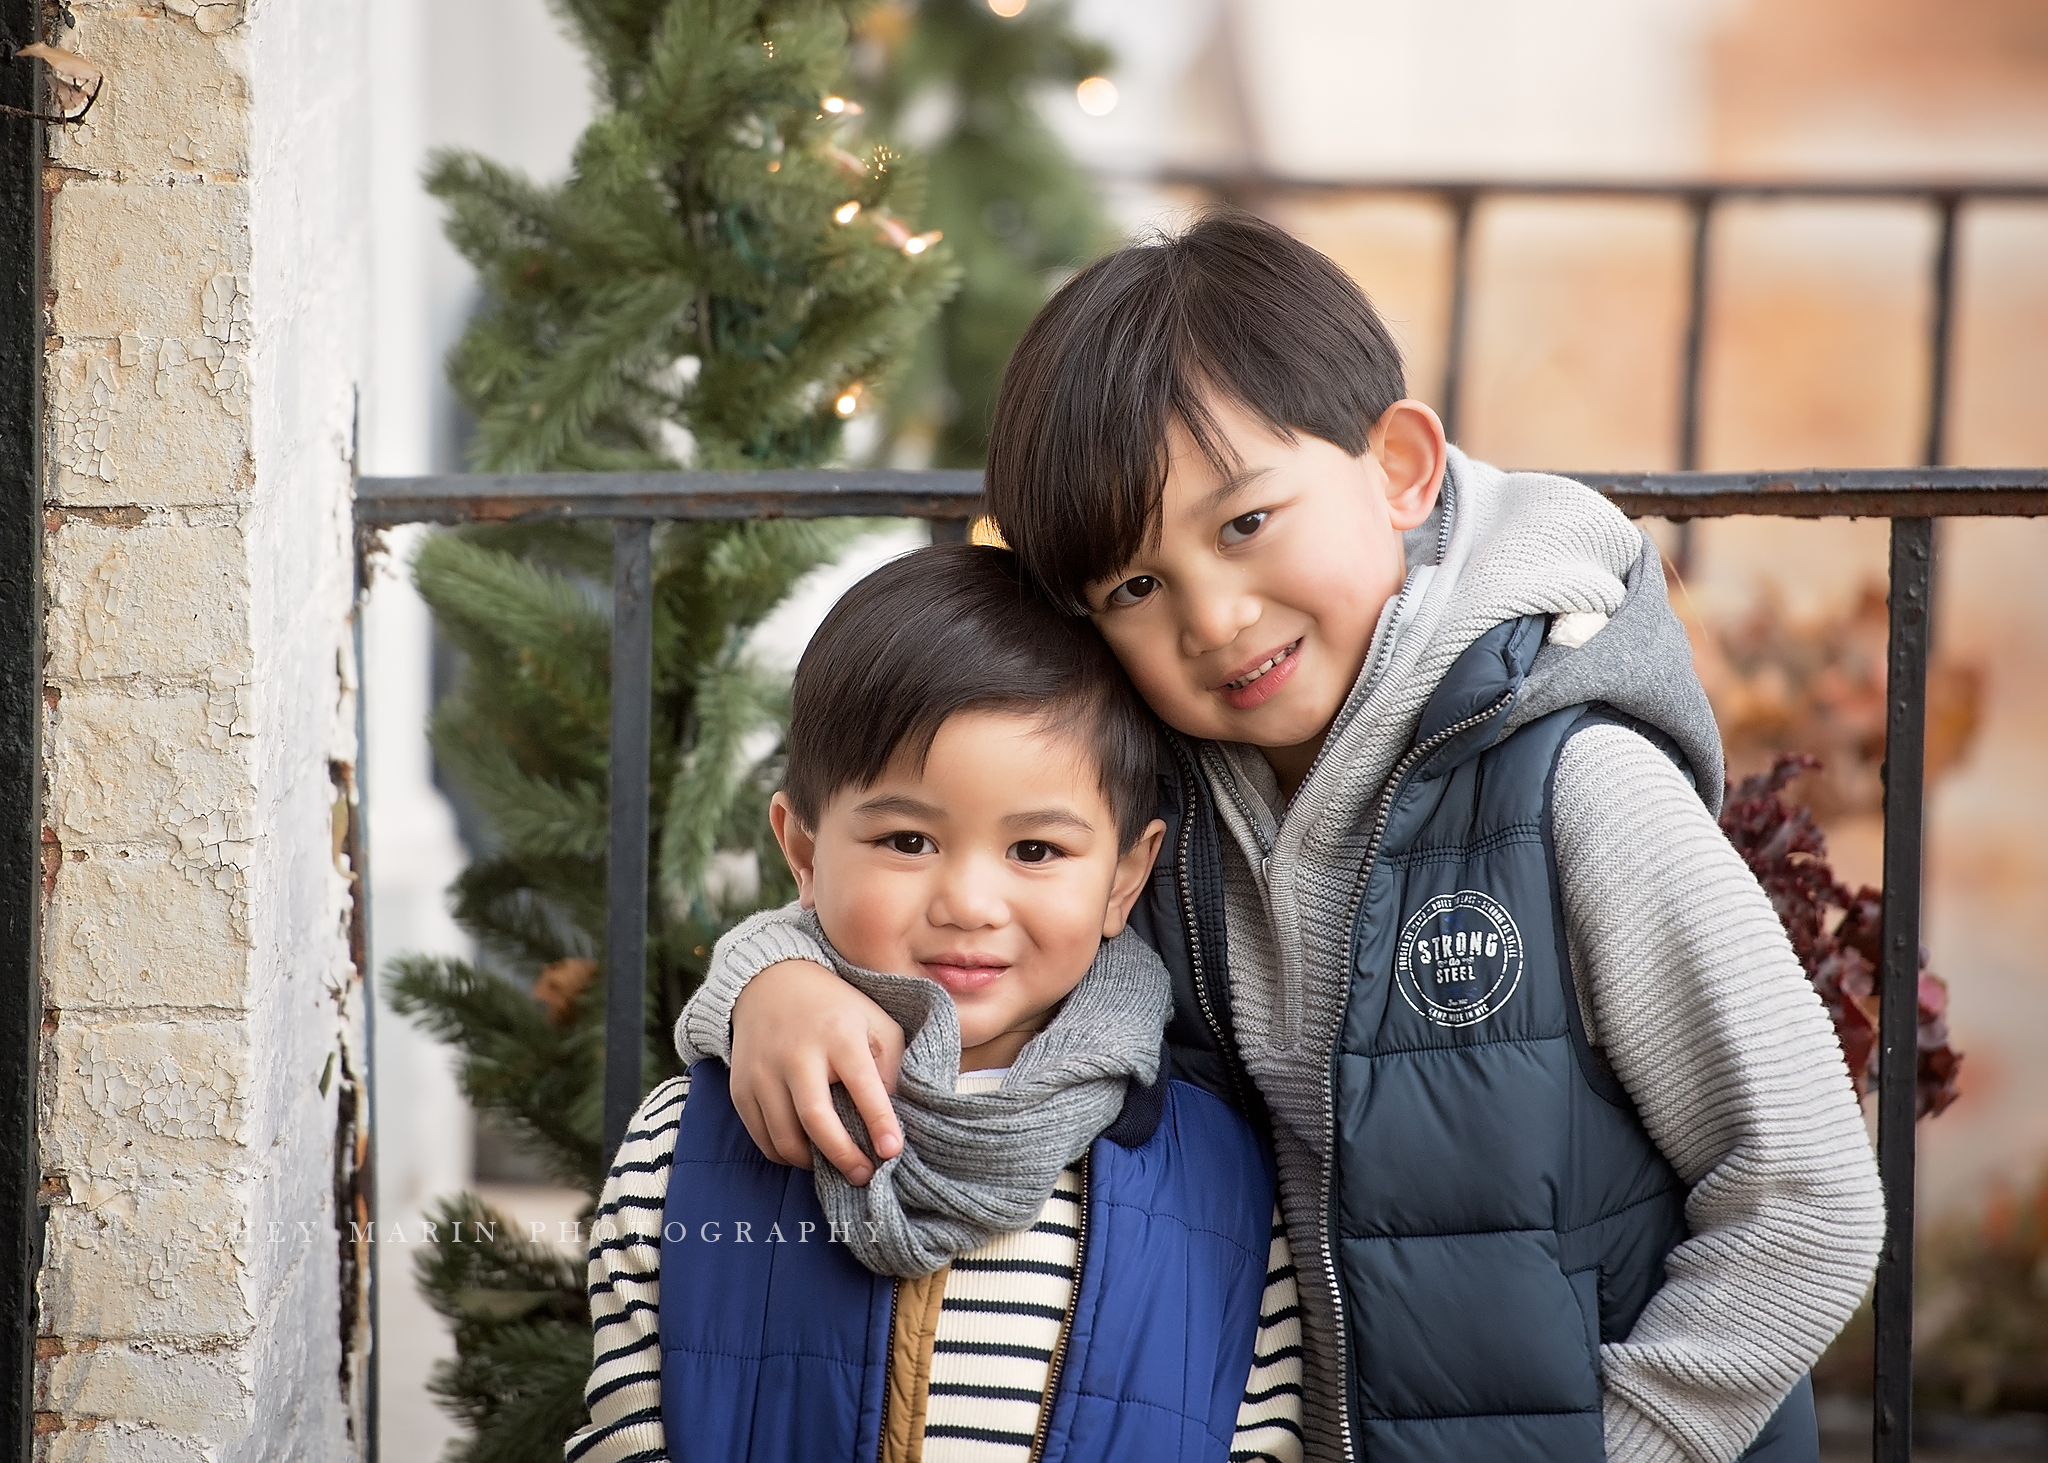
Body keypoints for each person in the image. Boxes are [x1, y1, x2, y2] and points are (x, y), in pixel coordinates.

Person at [677, 211, 1886, 1463]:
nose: (1213, 615)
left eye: (1244, 522)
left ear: (1400, 466)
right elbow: (954, 906)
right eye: (1135, 588)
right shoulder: (1173, 812)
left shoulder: (1571, 786)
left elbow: (1804, 1202)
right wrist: (773, 975)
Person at [565, 544, 1306, 1463]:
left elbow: (1260, 1439)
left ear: (1126, 877)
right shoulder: (689, 1139)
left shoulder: (1214, 1174)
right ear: (801, 846)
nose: (968, 902)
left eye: (1036, 850)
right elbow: (626, 1436)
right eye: (909, 838)